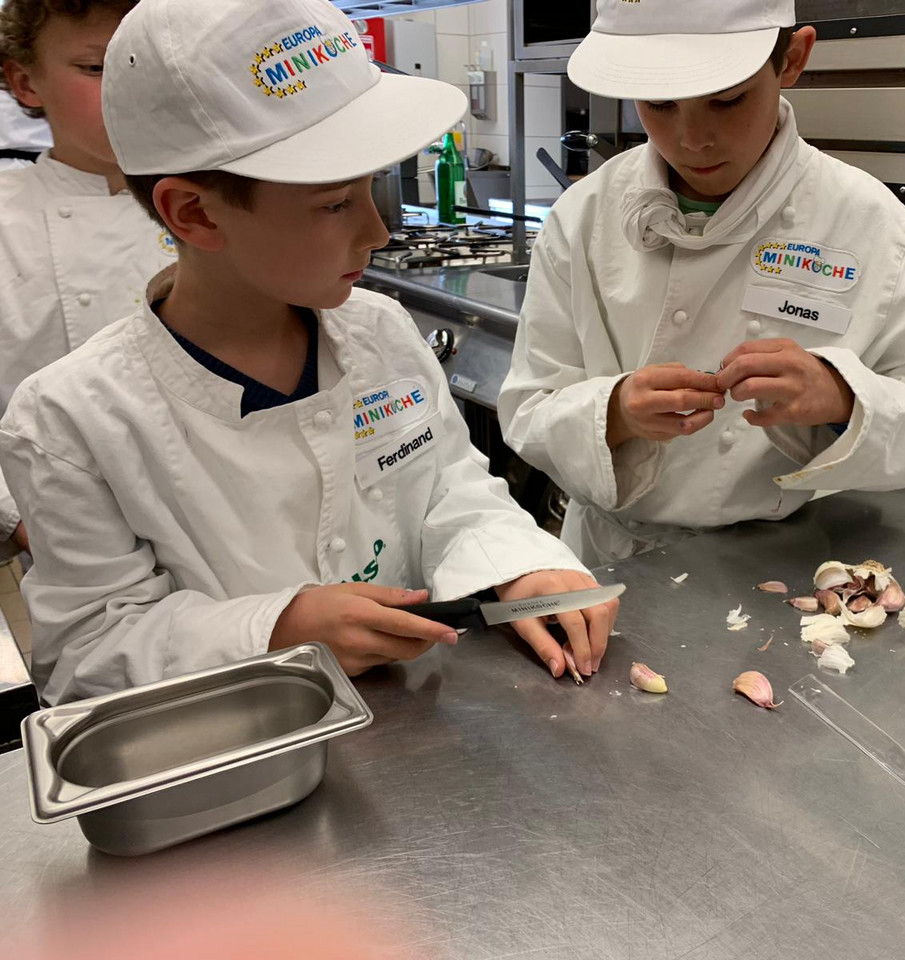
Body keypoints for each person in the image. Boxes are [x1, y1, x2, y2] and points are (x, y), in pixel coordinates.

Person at [0, 0, 617, 705]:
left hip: (413, 722)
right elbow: (87, 652)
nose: (378, 232)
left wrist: (518, 564)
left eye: (372, 189)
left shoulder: (379, 331)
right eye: (334, 204)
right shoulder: (68, 420)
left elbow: (450, 487)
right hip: (238, 744)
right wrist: (275, 630)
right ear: (193, 213)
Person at [498, 0, 905, 566]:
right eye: (659, 104)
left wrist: (843, 398)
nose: (692, 139)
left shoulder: (870, 224)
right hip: (607, 559)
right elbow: (528, 409)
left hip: (779, 561)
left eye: (727, 100)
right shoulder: (584, 215)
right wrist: (615, 413)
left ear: (792, 59)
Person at [0, 0, 177, 564]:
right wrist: (19, 517)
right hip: (76, 542)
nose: (130, 88)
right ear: (25, 82)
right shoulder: (6, 223)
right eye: (97, 68)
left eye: (145, 63)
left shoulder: (218, 206)